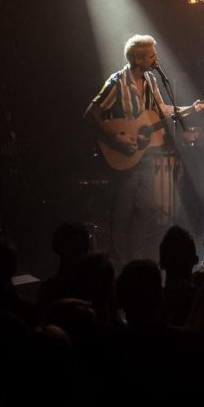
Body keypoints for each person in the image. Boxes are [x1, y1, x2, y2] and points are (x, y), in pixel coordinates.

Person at [84, 34, 174, 263]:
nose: (156, 59)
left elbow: (161, 110)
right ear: (137, 59)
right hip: (122, 156)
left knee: (147, 208)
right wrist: (115, 138)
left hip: (144, 156)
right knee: (122, 214)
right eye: (152, 55)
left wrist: (193, 108)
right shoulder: (116, 82)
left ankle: (135, 259)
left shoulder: (151, 81)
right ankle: (118, 263)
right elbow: (90, 114)